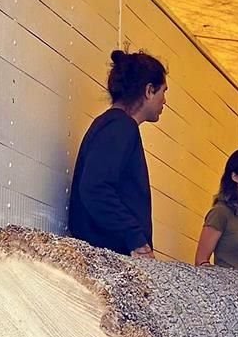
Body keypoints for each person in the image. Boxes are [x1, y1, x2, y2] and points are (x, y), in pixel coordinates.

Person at [68, 50, 167, 257]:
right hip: (107, 258)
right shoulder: (120, 127)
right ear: (149, 90)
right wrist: (135, 239)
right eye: (163, 92)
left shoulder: (112, 125)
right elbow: (95, 187)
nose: (164, 101)